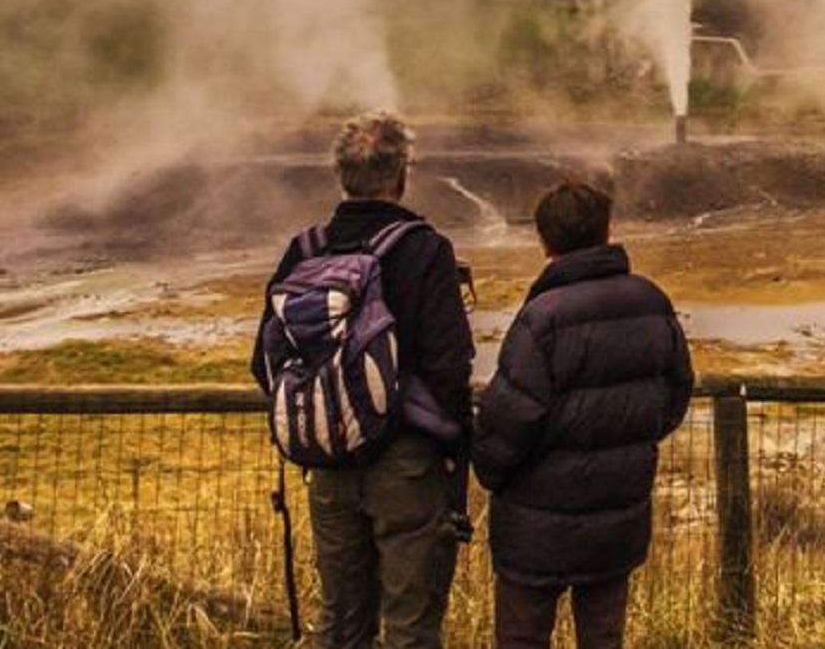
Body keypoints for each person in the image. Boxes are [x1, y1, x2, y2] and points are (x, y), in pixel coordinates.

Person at [250, 111, 474, 649]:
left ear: (340, 175)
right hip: (406, 462)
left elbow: (267, 361)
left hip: (329, 463)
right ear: (402, 176)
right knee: (410, 625)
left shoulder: (305, 251)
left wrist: (323, 419)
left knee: (340, 623)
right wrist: (453, 448)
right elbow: (449, 365)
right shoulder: (425, 249)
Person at [473, 181, 695, 649]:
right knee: (603, 636)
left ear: (544, 240)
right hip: (617, 512)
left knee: (522, 637)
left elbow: (510, 417)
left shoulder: (542, 318)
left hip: (535, 522)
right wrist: (631, 444)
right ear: (606, 230)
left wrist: (491, 473)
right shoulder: (651, 302)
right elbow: (674, 396)